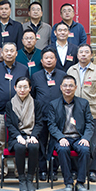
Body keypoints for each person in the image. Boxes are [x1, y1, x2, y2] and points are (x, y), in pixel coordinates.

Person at [0, 42, 29, 178]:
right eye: (6, 51)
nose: (9, 53)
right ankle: (1, 170)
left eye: (12, 51)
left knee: (19, 142)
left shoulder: (23, 69)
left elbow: (27, 88)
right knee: (0, 142)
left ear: (16, 53)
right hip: (0, 112)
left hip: (19, 112)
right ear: (2, 53)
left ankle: (19, 170)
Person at [47, 75, 94, 191]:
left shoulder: (83, 103)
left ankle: (80, 182)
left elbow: (90, 123)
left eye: (71, 86)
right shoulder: (53, 104)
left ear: (76, 87)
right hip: (63, 137)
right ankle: (68, 182)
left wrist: (86, 138)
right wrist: (60, 138)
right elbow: (51, 125)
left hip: (78, 137)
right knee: (63, 149)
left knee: (85, 149)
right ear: (61, 87)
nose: (68, 88)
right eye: (65, 85)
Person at [67, 44, 96, 183]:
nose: (83, 54)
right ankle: (75, 170)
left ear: (91, 55)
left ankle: (92, 171)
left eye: (86, 52)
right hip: (73, 111)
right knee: (74, 139)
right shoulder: (71, 70)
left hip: (92, 112)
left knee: (91, 142)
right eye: (81, 52)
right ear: (77, 55)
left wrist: (94, 102)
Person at [31, 48, 66, 181]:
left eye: (51, 58)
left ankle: (53, 170)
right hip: (41, 115)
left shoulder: (62, 75)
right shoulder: (36, 76)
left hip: (58, 116)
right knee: (41, 143)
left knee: (55, 142)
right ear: (41, 61)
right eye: (46, 58)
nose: (49, 60)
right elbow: (33, 95)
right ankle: (42, 170)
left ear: (56, 60)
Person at [5, 77, 42, 191]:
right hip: (16, 136)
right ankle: (21, 179)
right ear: (15, 88)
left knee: (34, 146)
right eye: (19, 87)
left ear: (30, 88)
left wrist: (34, 136)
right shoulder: (10, 104)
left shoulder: (36, 104)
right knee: (19, 147)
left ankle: (30, 179)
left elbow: (39, 123)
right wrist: (18, 136)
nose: (22, 90)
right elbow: (9, 124)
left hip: (31, 134)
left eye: (25, 87)